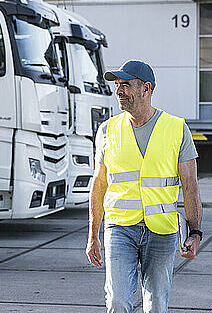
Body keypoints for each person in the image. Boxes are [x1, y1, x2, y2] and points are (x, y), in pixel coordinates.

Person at [86, 60, 202, 313]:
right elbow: (99, 183)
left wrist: (195, 232)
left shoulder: (176, 128)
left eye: (125, 85)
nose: (119, 91)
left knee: (157, 305)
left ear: (146, 89)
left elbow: (190, 185)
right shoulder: (107, 130)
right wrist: (93, 234)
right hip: (119, 227)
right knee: (117, 300)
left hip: (162, 229)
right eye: (117, 85)